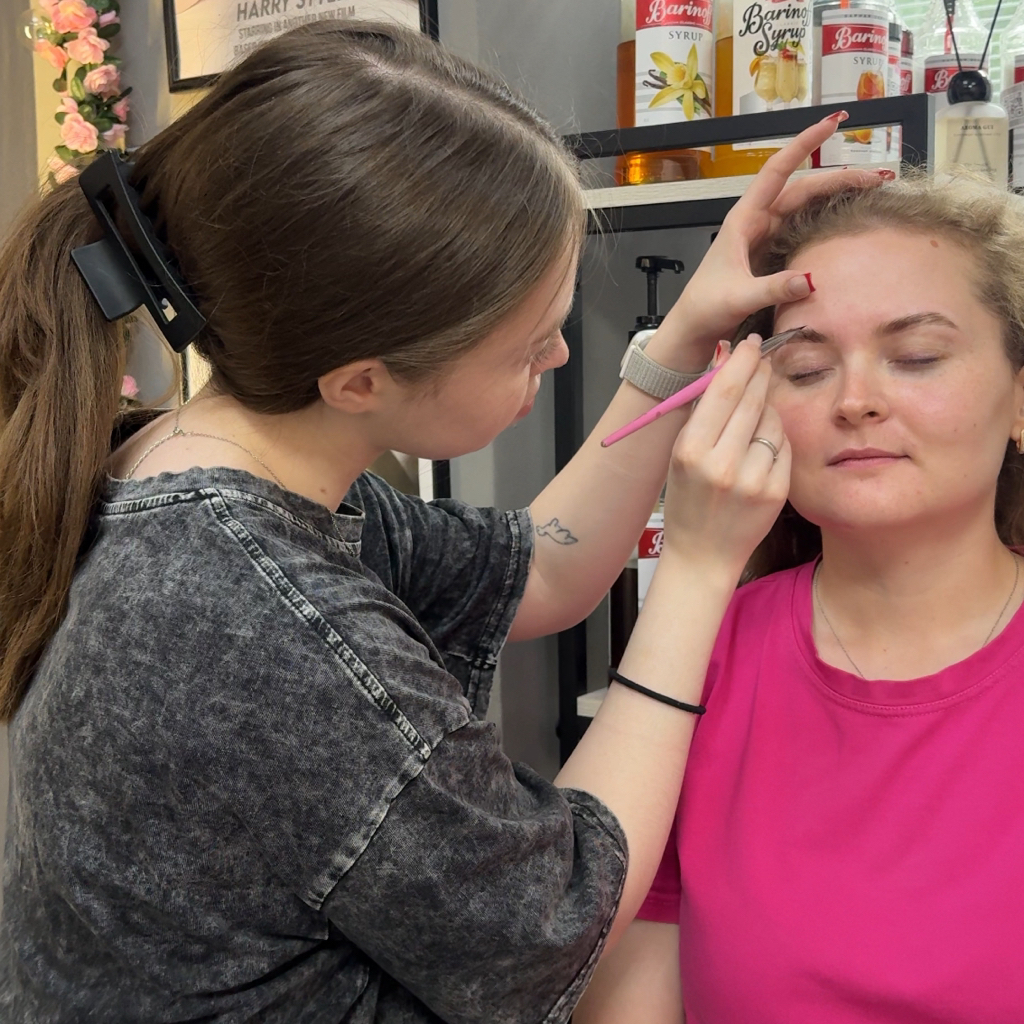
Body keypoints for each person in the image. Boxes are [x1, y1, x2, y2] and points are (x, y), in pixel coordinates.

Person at [0, 18, 878, 1023]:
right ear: (361, 381)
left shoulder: (213, 469)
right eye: (529, 344)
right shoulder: (248, 617)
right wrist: (696, 564)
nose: (559, 358)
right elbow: (552, 922)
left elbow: (540, 570)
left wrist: (678, 339)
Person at [576, 172, 1024, 1024]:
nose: (855, 402)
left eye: (917, 357)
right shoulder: (699, 650)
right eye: (808, 368)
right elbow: (622, 969)